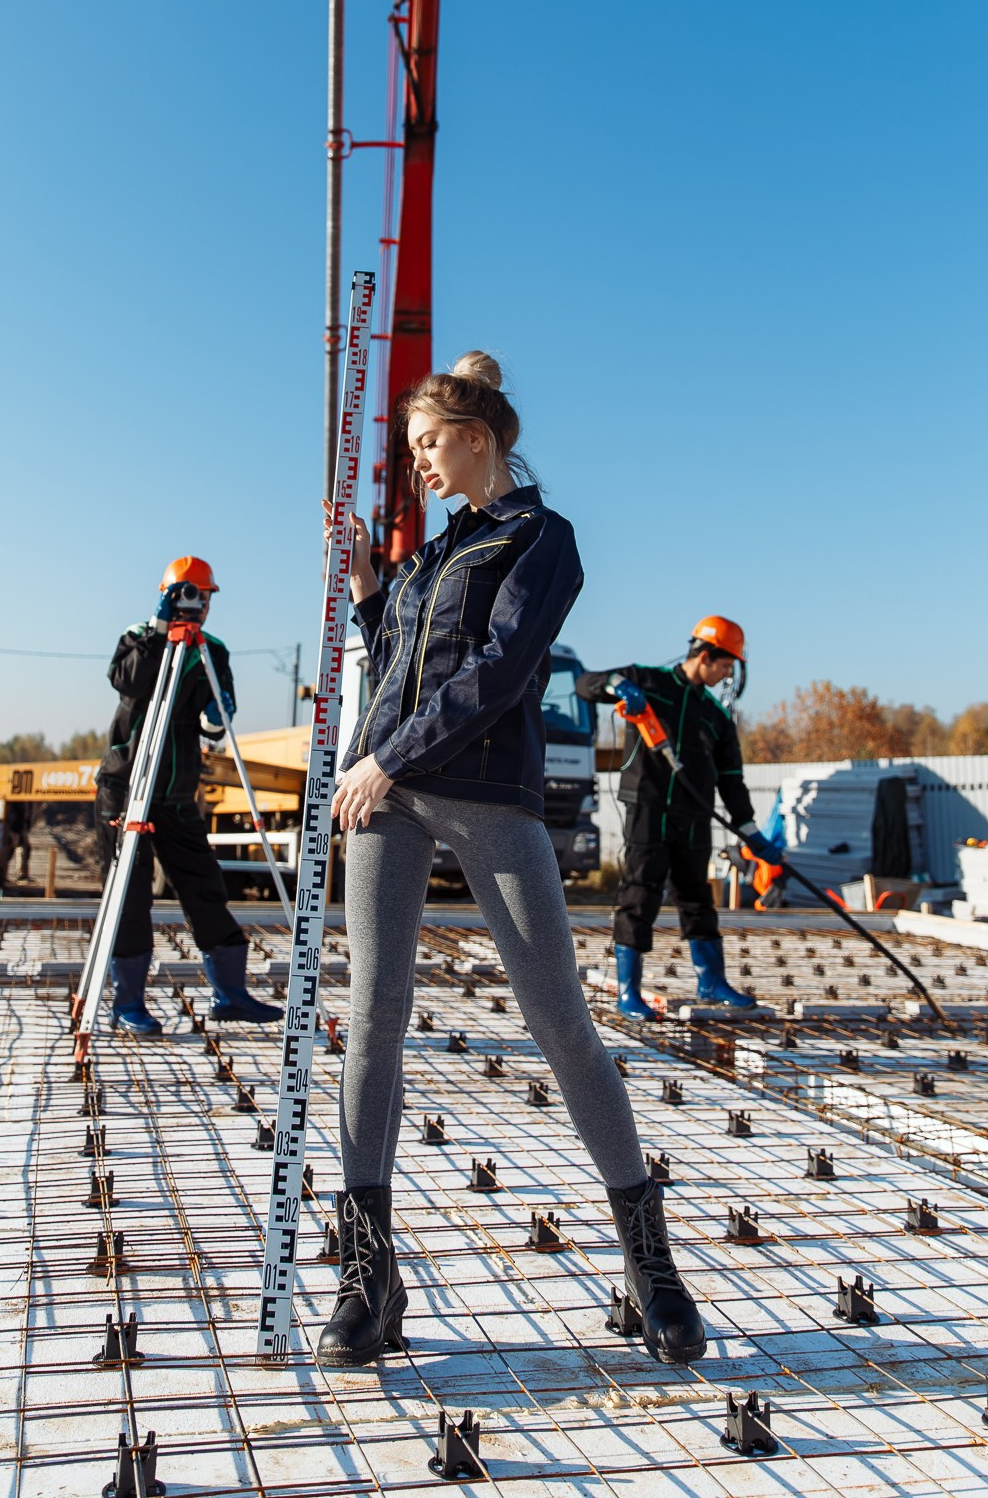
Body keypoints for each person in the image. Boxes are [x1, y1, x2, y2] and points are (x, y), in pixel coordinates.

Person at [318, 354, 706, 1372]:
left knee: (560, 1024)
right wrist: (368, 589)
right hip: (386, 803)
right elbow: (402, 669)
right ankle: (369, 1273)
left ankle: (647, 1261)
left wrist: (381, 759)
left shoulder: (542, 539)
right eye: (408, 455)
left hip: (485, 797)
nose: (418, 470)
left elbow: (495, 671)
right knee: (370, 1023)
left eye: (428, 445)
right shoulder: (426, 556)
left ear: (479, 436)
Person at [93, 555, 283, 1035]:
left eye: (204, 596)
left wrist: (220, 716)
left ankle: (231, 994)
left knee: (204, 886)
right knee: (130, 896)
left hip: (177, 792)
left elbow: (212, 722)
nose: (197, 605)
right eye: (187, 593)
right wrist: (160, 629)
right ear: (167, 593)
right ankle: (128, 1002)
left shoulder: (211, 650)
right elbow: (127, 681)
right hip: (127, 788)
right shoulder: (139, 636)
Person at [577, 620, 780, 1018]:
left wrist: (751, 831)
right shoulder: (648, 682)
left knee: (697, 898)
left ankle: (712, 983)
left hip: (693, 816)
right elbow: (585, 683)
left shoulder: (715, 717)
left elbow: (733, 781)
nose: (726, 675)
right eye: (725, 666)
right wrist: (618, 686)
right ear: (705, 657)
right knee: (640, 893)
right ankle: (628, 991)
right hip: (648, 811)